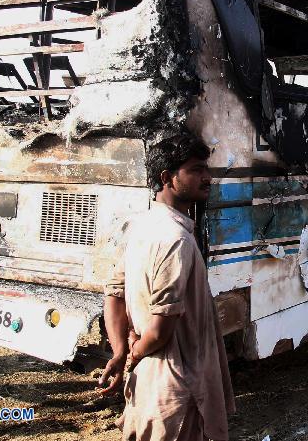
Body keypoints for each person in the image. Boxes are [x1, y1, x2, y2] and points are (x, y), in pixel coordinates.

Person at [99, 133, 234, 441]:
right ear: (167, 177)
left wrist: (120, 351)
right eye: (197, 170)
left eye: (206, 169)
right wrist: (133, 351)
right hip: (178, 388)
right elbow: (160, 332)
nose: (207, 178)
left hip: (149, 386)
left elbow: (114, 292)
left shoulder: (140, 226)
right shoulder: (176, 240)